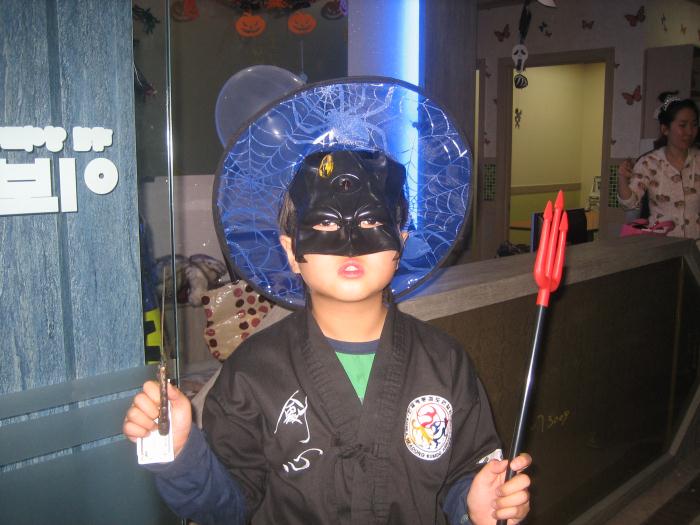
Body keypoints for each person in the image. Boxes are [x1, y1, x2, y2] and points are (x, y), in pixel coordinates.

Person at [124, 79, 532, 525]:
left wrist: (477, 503)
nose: (350, 245)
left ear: (401, 241)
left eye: (372, 223)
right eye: (323, 227)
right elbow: (228, 507)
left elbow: (465, 473)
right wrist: (182, 453)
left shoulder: (444, 363)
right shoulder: (251, 373)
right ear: (290, 250)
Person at [618, 92, 700, 238]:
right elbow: (629, 204)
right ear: (665, 129)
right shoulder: (649, 163)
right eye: (683, 125)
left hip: (695, 246)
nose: (689, 132)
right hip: (661, 245)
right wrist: (623, 178)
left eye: (694, 125)